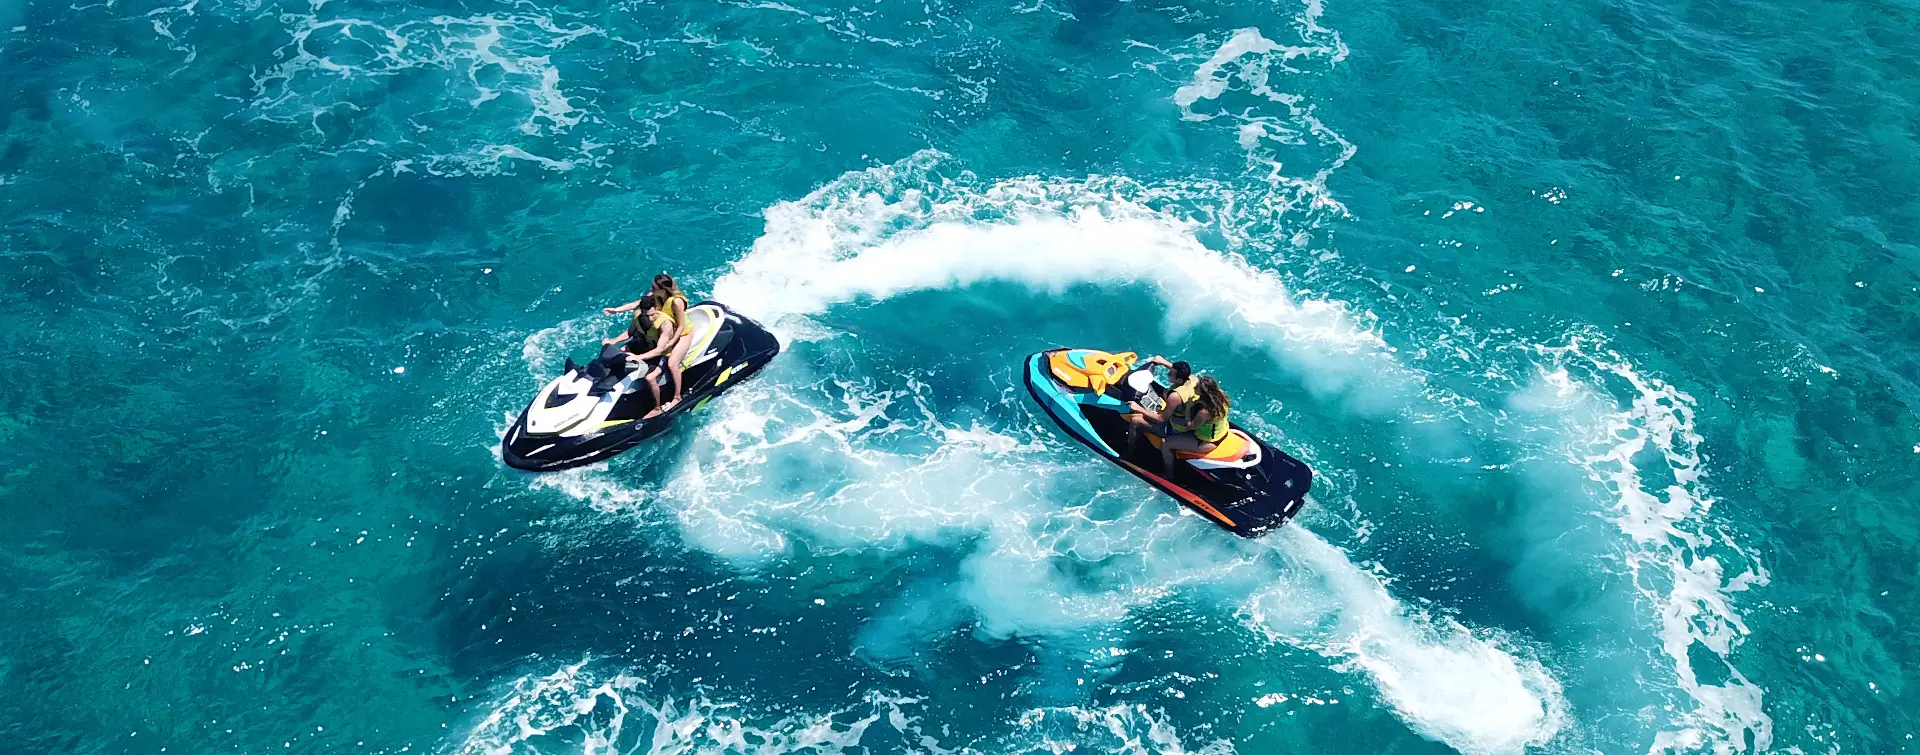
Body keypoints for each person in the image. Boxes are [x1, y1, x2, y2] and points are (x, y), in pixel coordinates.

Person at [602, 273, 692, 410]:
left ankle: (677, 397)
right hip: (667, 330)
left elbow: (680, 326)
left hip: (683, 333)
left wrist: (672, 342)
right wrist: (616, 310)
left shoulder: (676, 301)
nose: (651, 289)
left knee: (672, 363)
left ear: (663, 289)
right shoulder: (654, 295)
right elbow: (636, 304)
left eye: (654, 287)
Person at [1129, 368, 1230, 475]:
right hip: (1223, 432)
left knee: (1166, 444)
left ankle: (1169, 475)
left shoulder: (1204, 412)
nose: (1194, 388)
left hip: (1207, 441)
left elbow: (1190, 426)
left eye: (1197, 388)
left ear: (1204, 393)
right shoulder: (1222, 396)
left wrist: (1188, 408)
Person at [599, 297, 676, 417]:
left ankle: (657, 408)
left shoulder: (665, 324)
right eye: (646, 315)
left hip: (658, 354)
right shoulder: (638, 315)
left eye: (652, 315)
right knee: (617, 355)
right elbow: (630, 333)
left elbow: (660, 350)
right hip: (643, 345)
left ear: (656, 309)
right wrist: (614, 341)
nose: (650, 319)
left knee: (650, 378)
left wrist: (638, 357)